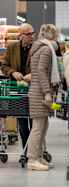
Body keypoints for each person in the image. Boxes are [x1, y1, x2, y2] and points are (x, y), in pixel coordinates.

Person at [27, 24, 60, 171]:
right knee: (38, 128)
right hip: (39, 92)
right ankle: (32, 159)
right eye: (56, 33)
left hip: (36, 90)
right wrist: (47, 92)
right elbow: (41, 71)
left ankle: (38, 156)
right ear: (51, 34)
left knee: (43, 126)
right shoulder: (46, 49)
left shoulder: (38, 47)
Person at [1, 23, 33, 158]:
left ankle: (34, 151)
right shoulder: (12, 47)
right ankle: (26, 151)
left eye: (33, 33)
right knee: (22, 124)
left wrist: (33, 74)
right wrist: (13, 72)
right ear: (21, 35)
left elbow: (42, 67)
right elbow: (4, 65)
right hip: (17, 90)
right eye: (28, 34)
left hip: (33, 90)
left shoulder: (37, 48)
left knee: (35, 124)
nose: (32, 36)